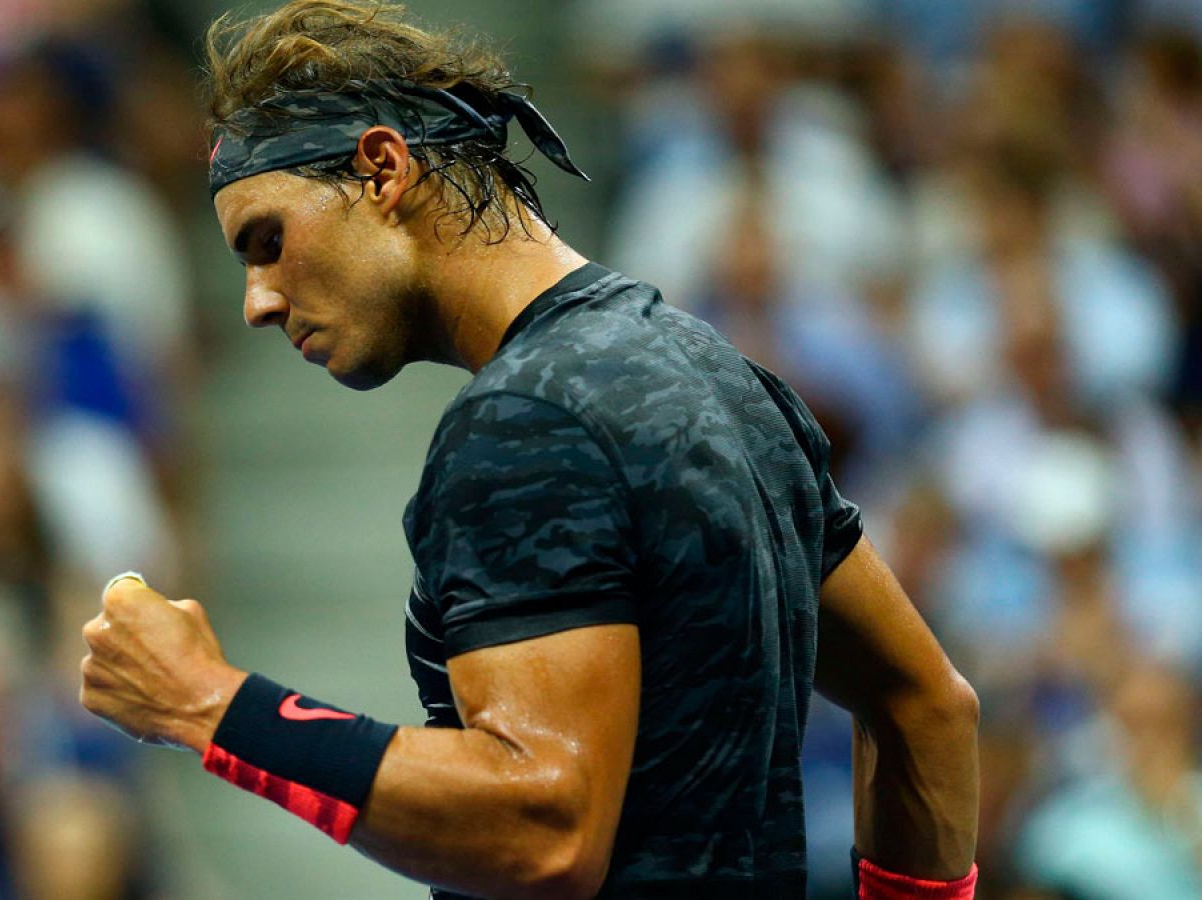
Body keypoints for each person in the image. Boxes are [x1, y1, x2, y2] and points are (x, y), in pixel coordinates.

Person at [76, 2, 980, 898]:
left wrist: (211, 705)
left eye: (269, 241)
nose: (258, 302)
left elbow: (543, 828)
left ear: (382, 170)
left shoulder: (524, 422)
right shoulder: (726, 374)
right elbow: (928, 711)